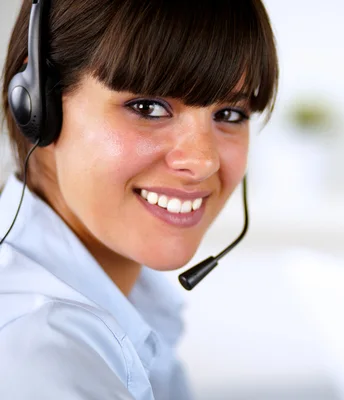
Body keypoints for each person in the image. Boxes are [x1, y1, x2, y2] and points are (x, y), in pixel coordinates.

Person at [0, 0, 278, 398]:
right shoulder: (39, 352)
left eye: (231, 114)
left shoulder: (126, 308)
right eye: (148, 107)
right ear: (36, 104)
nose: (202, 162)